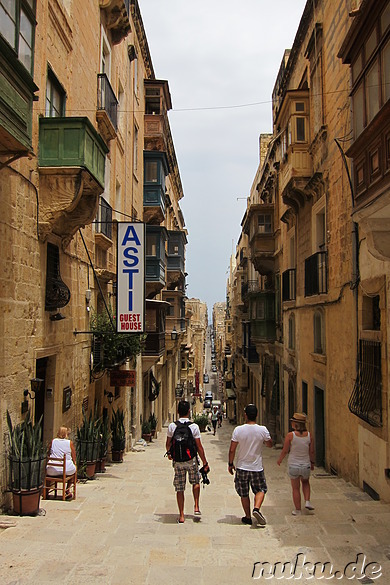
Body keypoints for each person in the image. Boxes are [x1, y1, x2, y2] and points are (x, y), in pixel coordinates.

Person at [228, 404, 273, 526]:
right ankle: (256, 508)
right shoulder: (262, 430)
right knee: (261, 489)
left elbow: (232, 449)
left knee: (244, 493)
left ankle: (247, 517)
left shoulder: (238, 430)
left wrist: (230, 464)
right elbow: (270, 444)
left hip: (242, 467)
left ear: (245, 415)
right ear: (257, 415)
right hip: (256, 467)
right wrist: (266, 440)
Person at [166, 400, 209, 523]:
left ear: (178, 411)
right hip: (191, 460)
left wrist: (170, 454)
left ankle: (181, 515)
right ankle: (196, 505)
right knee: (195, 482)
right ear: (189, 412)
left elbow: (167, 444)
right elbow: (199, 447)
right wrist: (205, 462)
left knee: (180, 488)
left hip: (178, 461)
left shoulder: (172, 426)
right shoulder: (194, 427)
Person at [277, 412, 315, 515]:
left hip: (293, 465)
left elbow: (285, 450)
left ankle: (298, 510)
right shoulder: (309, 436)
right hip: (305, 464)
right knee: (306, 483)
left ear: (295, 424)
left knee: (295, 488)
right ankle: (307, 501)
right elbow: (311, 451)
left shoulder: (290, 436)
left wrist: (280, 459)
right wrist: (312, 463)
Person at [46, 426, 77, 500]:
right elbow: (74, 456)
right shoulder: (69, 443)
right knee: (74, 470)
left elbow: (48, 452)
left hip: (52, 469)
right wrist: (75, 463)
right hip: (66, 469)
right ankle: (67, 490)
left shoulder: (53, 441)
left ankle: (46, 491)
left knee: (49, 472)